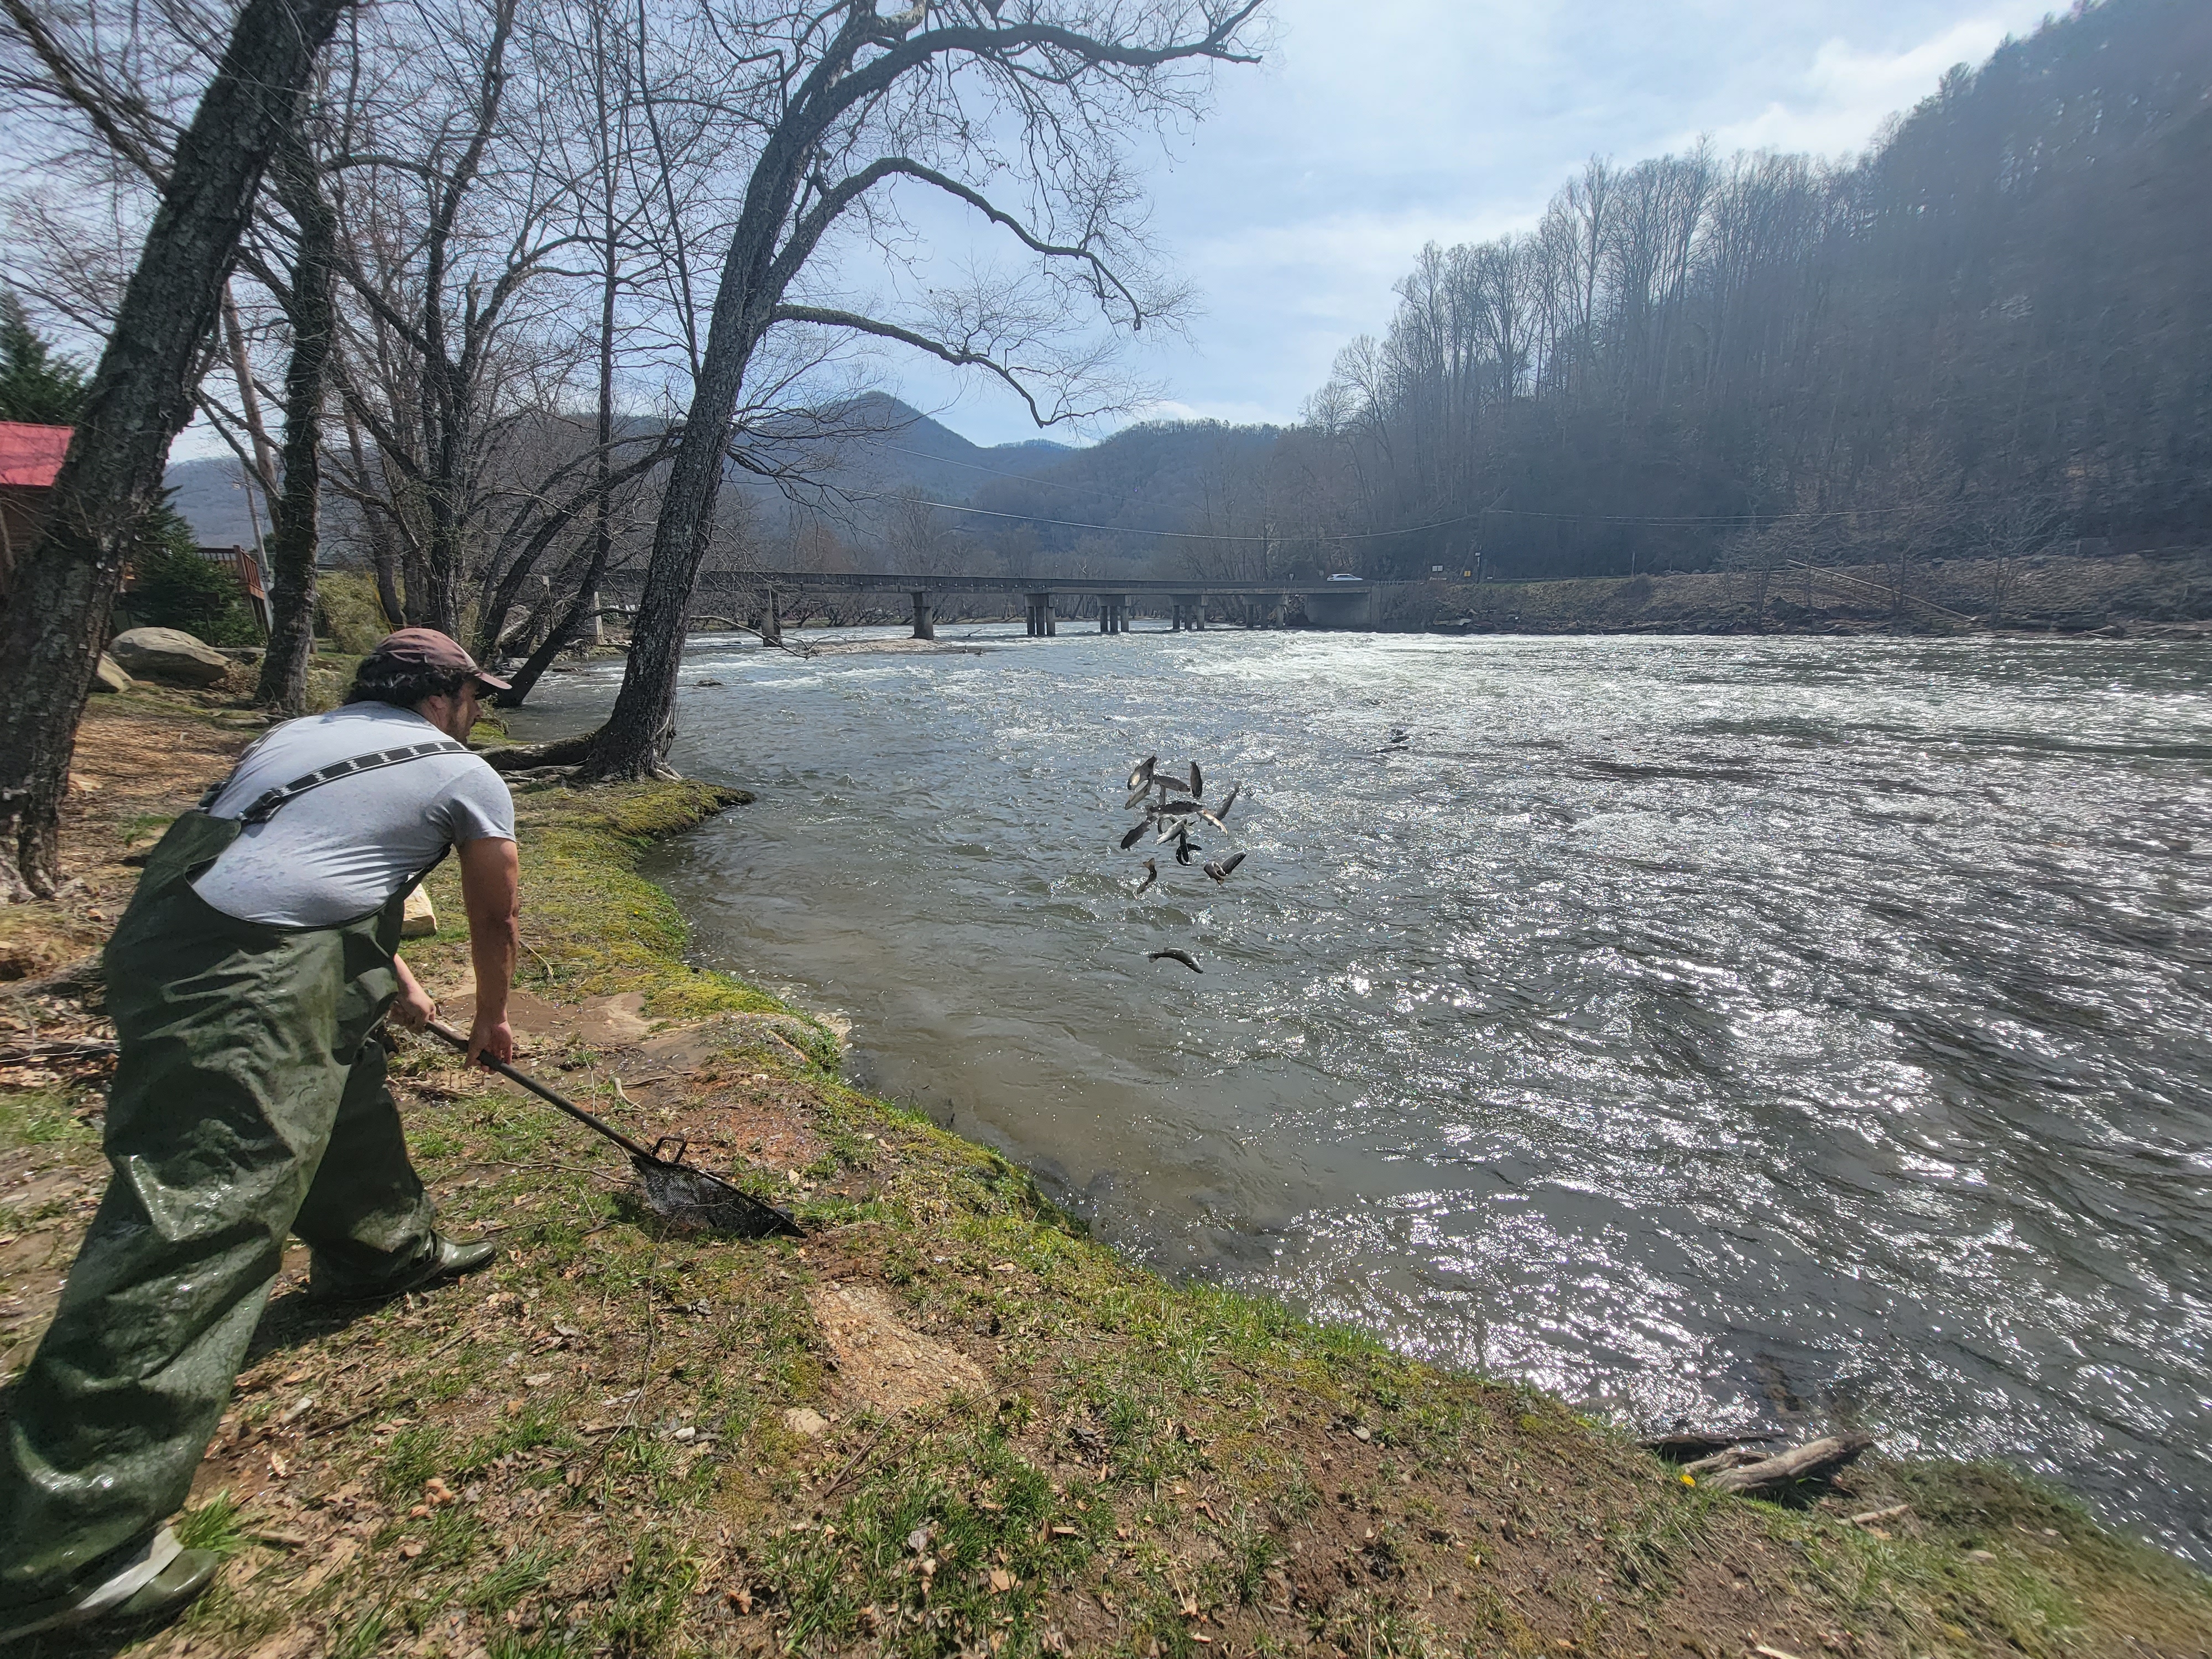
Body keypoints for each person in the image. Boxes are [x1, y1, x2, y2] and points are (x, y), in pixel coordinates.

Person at [0, 628, 522, 1641]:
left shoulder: (302, 735)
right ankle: (62, 1546)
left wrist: (393, 980)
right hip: (245, 964)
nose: (481, 713)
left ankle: (381, 1250)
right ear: (448, 695)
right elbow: (495, 915)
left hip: (182, 923)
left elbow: (315, 862)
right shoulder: (464, 773)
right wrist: (494, 1021)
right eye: (476, 696)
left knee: (341, 1069)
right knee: (206, 1204)